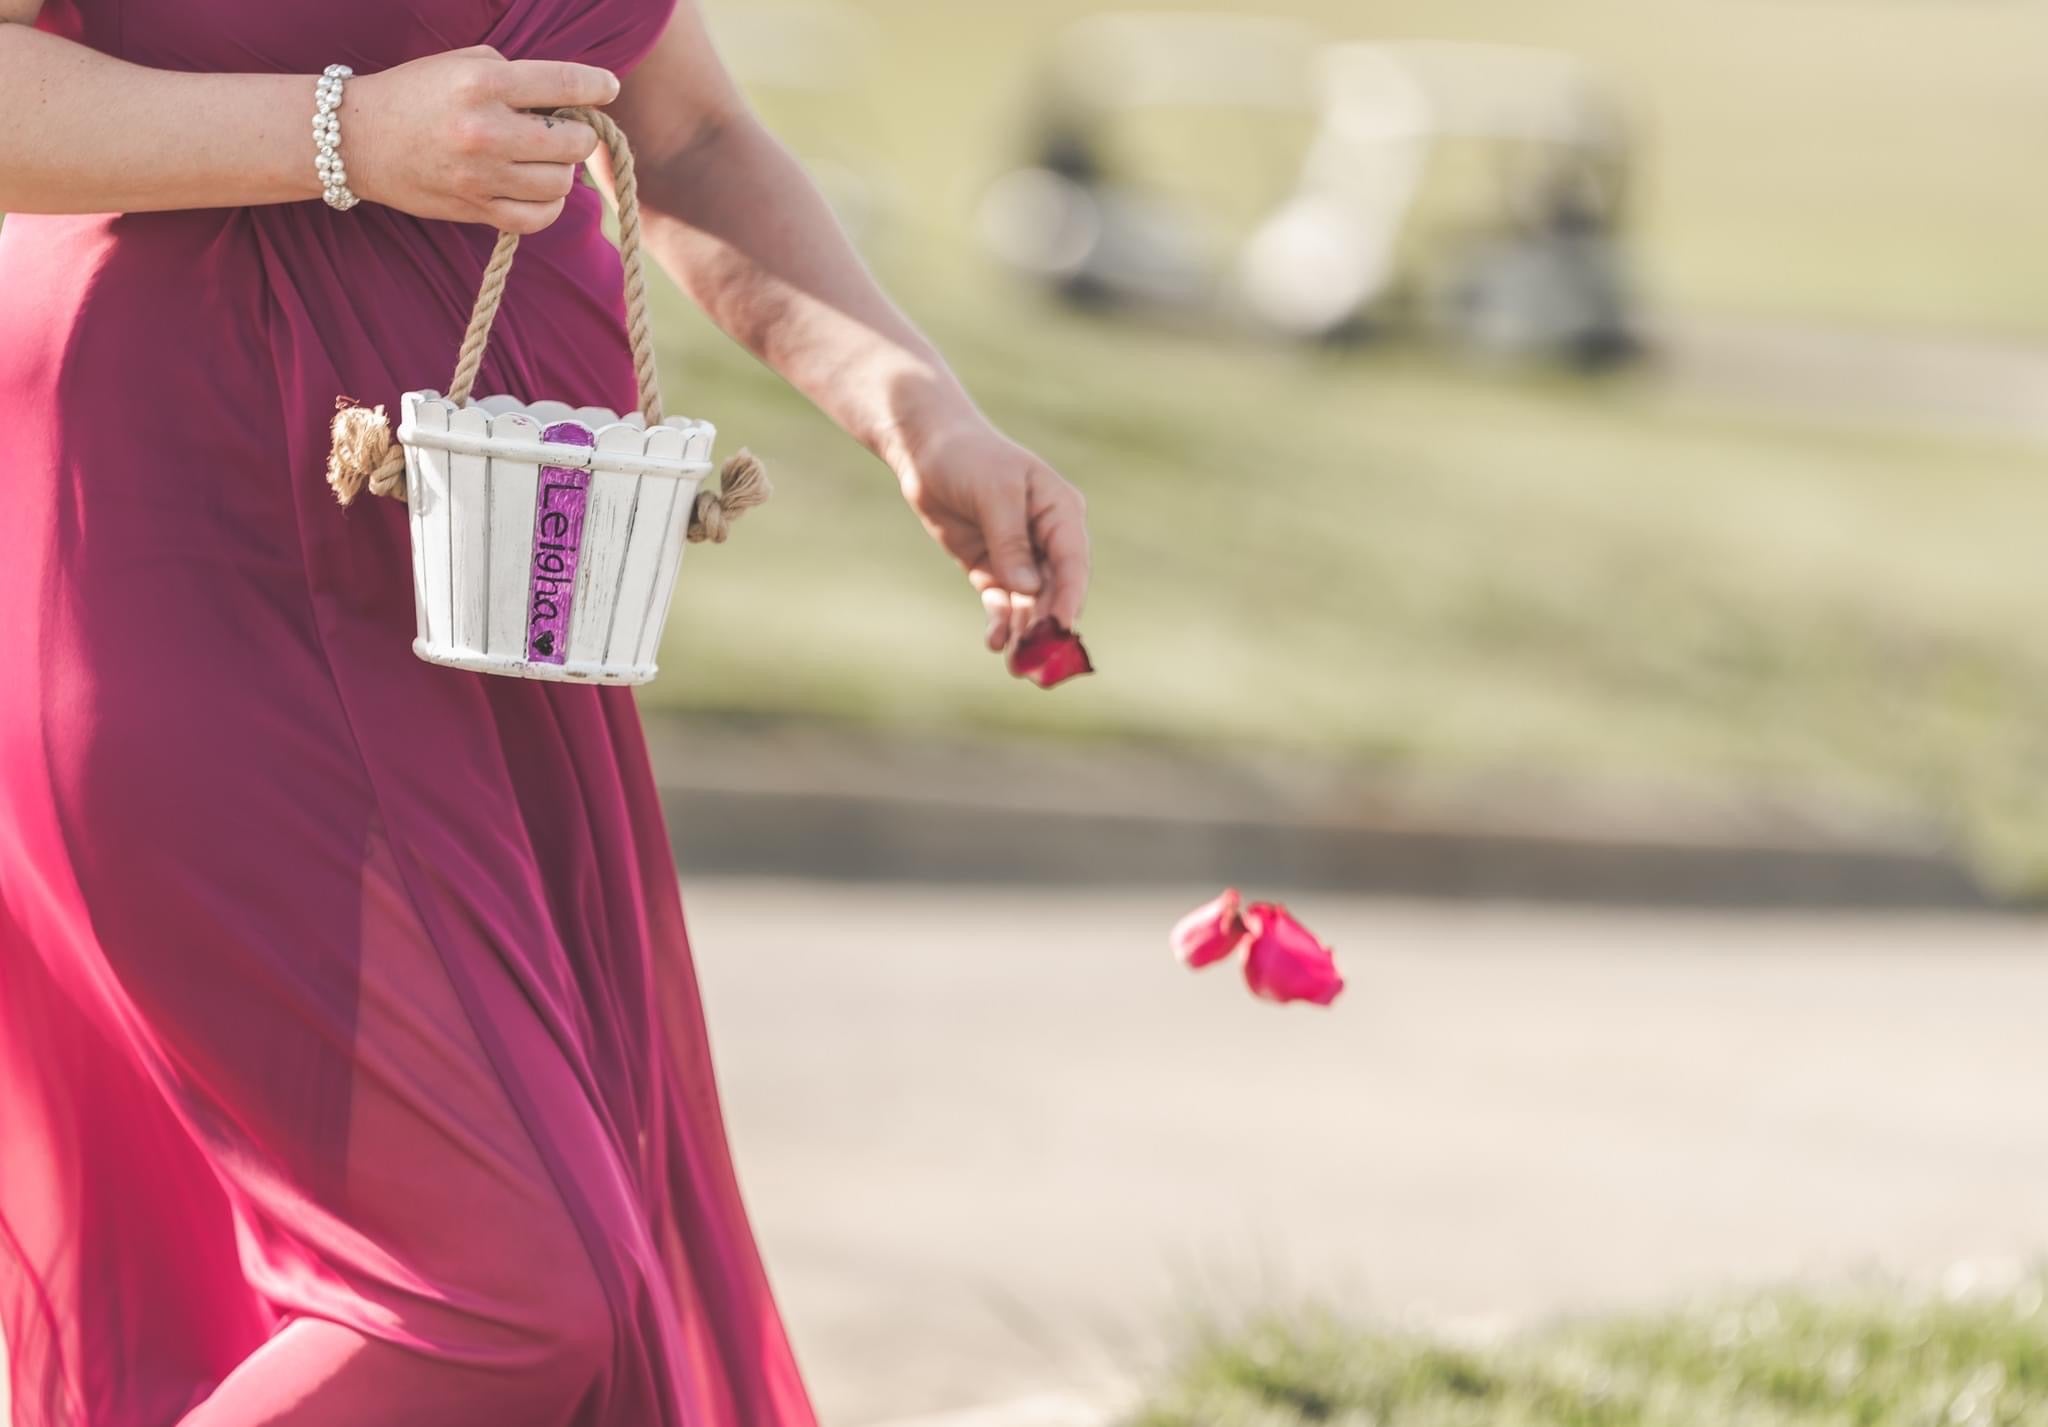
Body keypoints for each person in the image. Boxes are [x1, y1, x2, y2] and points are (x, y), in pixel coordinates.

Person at [0, 0, 1092, 1422]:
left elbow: (684, 130)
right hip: (186, 528)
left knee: (509, 1248)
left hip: (485, 598)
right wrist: (346, 134)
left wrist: (914, 408)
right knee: (501, 1288)